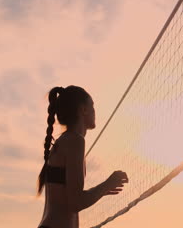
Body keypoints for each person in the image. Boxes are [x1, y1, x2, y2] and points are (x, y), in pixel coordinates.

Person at [37, 86, 128, 228]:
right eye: (92, 106)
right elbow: (76, 202)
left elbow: (70, 198)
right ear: (83, 110)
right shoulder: (75, 140)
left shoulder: (64, 142)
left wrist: (102, 190)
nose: (94, 112)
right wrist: (107, 185)